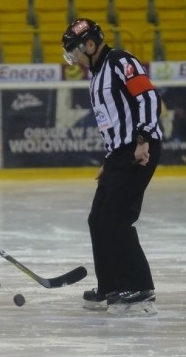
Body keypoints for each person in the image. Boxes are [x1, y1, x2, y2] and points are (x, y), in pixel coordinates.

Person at [62, 18, 163, 316]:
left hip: (138, 149)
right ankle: (111, 286)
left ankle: (140, 287)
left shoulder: (120, 61)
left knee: (116, 218)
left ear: (91, 44)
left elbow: (147, 96)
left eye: (77, 51)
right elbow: (112, 123)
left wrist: (142, 139)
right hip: (120, 154)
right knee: (98, 218)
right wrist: (109, 162)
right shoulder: (96, 74)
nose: (77, 58)